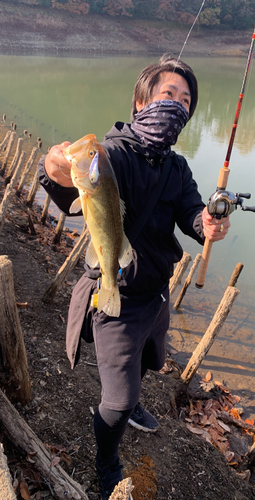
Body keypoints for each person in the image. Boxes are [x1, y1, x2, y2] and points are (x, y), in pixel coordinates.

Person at [38, 55, 230, 500]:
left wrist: (208, 223)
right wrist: (55, 171)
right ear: (141, 101)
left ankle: (134, 398)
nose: (177, 106)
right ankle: (107, 459)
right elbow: (73, 189)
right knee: (117, 401)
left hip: (155, 296)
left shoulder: (178, 169)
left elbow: (191, 217)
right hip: (118, 295)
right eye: (169, 95)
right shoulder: (110, 155)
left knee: (153, 359)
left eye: (185, 102)